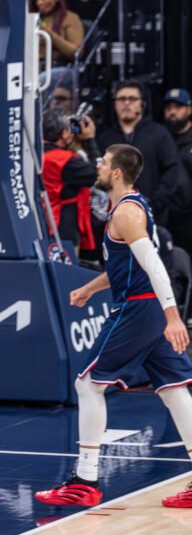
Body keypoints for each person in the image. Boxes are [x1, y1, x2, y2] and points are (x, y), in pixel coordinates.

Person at [35, 144, 192, 509]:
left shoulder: (127, 213)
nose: (98, 167)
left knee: (88, 384)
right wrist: (91, 288)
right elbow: (128, 266)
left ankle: (85, 480)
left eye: (104, 162)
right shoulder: (130, 207)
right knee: (172, 391)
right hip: (147, 307)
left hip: (140, 309)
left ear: (117, 172)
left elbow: (154, 267)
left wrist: (172, 317)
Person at [98, 81, 188, 227]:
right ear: (114, 104)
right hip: (114, 221)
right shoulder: (105, 138)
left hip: (153, 219)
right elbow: (98, 175)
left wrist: (154, 203)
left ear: (142, 104)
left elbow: (172, 171)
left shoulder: (159, 134)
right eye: (121, 99)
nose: (126, 103)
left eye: (132, 99)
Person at [42, 109, 99, 255]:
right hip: (63, 226)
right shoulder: (64, 160)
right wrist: (90, 139)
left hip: (42, 221)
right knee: (68, 272)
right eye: (69, 129)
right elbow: (97, 173)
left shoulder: (35, 154)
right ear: (63, 133)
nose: (72, 133)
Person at [34, 0, 84, 91]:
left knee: (40, 81)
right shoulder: (35, 19)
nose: (39, 3)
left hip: (62, 68)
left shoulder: (70, 18)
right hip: (36, 67)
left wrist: (52, 37)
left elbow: (77, 52)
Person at [164, 89, 192, 254]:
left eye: (178, 107)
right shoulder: (161, 138)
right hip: (167, 216)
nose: (172, 112)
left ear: (189, 109)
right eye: (168, 108)